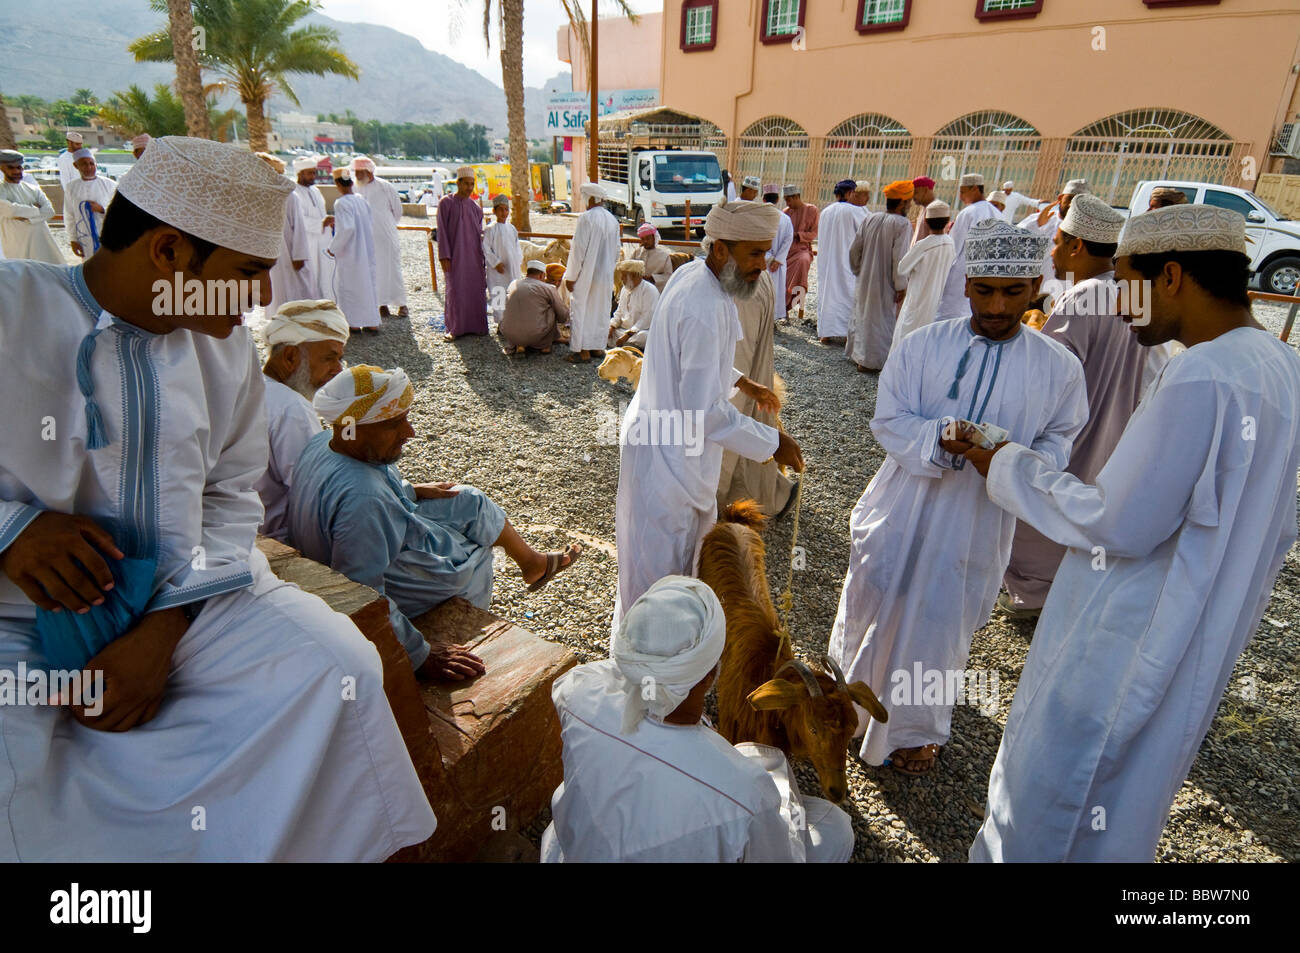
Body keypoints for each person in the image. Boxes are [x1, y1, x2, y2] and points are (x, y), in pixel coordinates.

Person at [0, 135, 435, 861]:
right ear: (168, 252)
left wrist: (163, 629)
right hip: (15, 618)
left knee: (342, 671)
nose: (266, 297)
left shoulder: (223, 347)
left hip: (187, 594)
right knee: (24, 795)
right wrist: (13, 530)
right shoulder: (11, 311)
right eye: (249, 273)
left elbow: (232, 499)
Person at [965, 206, 1300, 862]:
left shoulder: (1202, 374)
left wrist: (1003, 463)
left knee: (1050, 793)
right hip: (1195, 635)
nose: (1118, 305)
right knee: (1121, 808)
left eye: (1124, 282)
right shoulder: (1278, 366)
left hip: (1126, 636)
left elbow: (1118, 521)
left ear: (1170, 275)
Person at [828, 219, 1087, 777]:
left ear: (1036, 288)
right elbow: (888, 419)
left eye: (1012, 291)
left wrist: (1007, 459)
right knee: (875, 597)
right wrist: (941, 438)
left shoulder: (1059, 367)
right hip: (903, 504)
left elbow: (1059, 441)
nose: (996, 304)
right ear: (966, 283)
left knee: (943, 622)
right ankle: (848, 705)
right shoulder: (922, 345)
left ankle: (914, 730)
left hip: (977, 520)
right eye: (984, 288)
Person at [287, 366, 583, 677]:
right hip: (381, 566)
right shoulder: (365, 502)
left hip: (381, 534)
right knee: (476, 555)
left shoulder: (325, 440)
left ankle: (532, 564)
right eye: (394, 423)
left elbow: (356, 488)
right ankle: (469, 629)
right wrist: (420, 655)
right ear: (353, 427)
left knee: (467, 499)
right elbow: (362, 595)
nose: (409, 432)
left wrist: (411, 490)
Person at [541, 576, 854, 863]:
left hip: (579, 851)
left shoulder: (576, 689)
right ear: (709, 676)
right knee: (836, 826)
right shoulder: (747, 793)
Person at [613, 201, 806, 630]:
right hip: (671, 455)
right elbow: (705, 413)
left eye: (764, 252)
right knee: (663, 576)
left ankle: (664, 665)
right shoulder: (704, 303)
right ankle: (657, 678)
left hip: (667, 442)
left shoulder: (697, 278)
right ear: (720, 249)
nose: (763, 265)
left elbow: (697, 361)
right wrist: (774, 443)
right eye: (754, 254)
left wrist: (742, 382)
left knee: (664, 565)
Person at [1000, 195, 1161, 620]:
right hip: (1118, 426)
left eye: (1057, 241)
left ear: (1077, 246)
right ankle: (1063, 591)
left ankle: (1032, 594)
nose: (1051, 252)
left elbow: (1046, 375)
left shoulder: (1083, 295)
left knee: (1045, 502)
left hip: (1072, 429)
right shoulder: (1136, 294)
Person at [254, 300, 348, 542]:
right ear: (290, 356)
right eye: (330, 358)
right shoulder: (290, 407)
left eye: (340, 359)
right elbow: (319, 492)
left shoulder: (253, 385)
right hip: (286, 540)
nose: (338, 369)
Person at [717, 268, 795, 518]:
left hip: (740, 282)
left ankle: (721, 498)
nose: (765, 259)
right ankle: (757, 493)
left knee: (734, 400)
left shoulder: (738, 279)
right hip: (746, 280)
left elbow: (723, 401)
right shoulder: (753, 274)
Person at [845, 180, 912, 372]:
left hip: (864, 279)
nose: (909, 206)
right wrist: (901, 285)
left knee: (863, 315)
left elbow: (854, 250)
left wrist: (859, 270)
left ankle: (858, 355)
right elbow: (900, 259)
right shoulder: (902, 224)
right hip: (885, 283)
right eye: (908, 202)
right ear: (902, 203)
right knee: (880, 321)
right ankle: (871, 363)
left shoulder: (870, 218)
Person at [564, 183, 620, 363]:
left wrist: (571, 276)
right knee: (600, 309)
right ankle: (597, 346)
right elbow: (617, 250)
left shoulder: (586, 218)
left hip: (586, 275)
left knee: (582, 309)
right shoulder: (612, 220)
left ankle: (582, 350)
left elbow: (578, 250)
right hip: (605, 275)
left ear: (590, 198)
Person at [891, 199, 955, 350]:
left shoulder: (924, 245)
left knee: (905, 338)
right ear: (947, 221)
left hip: (917, 299)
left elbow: (902, 268)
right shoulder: (950, 243)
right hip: (935, 300)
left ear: (926, 222)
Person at [935, 173, 1000, 320]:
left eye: (963, 192)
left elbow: (953, 249)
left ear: (975, 189)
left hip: (961, 280)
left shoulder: (969, 213)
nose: (960, 197)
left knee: (948, 321)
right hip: (988, 278)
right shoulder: (999, 214)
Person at [352, 156, 408, 319]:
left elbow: (397, 210)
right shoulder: (355, 189)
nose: (357, 175)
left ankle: (401, 304)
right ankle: (381, 304)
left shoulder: (385, 186)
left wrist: (386, 225)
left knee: (392, 269)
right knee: (373, 270)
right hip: (366, 238)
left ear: (368, 171)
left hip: (386, 235)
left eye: (360, 172)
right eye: (355, 172)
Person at [437, 166, 489, 340]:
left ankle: (477, 327)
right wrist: (444, 255)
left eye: (472, 184)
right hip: (455, 256)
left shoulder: (475, 207)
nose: (469, 187)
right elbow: (442, 231)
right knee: (456, 290)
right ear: (458, 183)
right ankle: (455, 328)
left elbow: (480, 233)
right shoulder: (446, 203)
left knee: (475, 289)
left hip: (473, 257)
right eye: (466, 184)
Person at [324, 168, 379, 333]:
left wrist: (333, 248)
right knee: (368, 285)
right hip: (366, 249)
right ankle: (371, 321)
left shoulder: (341, 203)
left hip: (351, 253)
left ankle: (353, 322)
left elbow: (347, 229)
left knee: (350, 286)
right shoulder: (361, 199)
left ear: (338, 184)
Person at [816, 178, 865, 345]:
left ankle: (826, 333)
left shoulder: (826, 211)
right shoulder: (855, 212)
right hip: (846, 261)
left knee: (826, 294)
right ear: (850, 193)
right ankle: (845, 334)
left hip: (826, 262)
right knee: (847, 293)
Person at [0, 149, 63, 263]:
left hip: (42, 243)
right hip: (17, 245)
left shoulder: (32, 189)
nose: (16, 171)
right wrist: (36, 210)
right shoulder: (1, 189)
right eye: (11, 167)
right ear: (2, 168)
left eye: (19, 167)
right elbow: (10, 210)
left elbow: (50, 211)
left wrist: (26, 216)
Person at [500, 259, 569, 354]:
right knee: (552, 307)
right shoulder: (548, 288)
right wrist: (564, 321)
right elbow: (562, 314)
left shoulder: (513, 283)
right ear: (542, 275)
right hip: (534, 335)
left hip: (509, 334)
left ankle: (519, 344)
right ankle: (545, 345)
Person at [65, 149, 117, 259]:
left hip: (107, 235)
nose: (89, 167)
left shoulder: (110, 185)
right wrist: (73, 239)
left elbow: (120, 211)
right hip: (84, 237)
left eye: (91, 163)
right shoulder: (71, 188)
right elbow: (69, 215)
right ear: (76, 166)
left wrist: (102, 209)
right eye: (84, 164)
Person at [482, 194, 521, 330]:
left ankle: (513, 321)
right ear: (494, 211)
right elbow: (486, 248)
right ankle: (501, 323)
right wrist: (496, 263)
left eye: (506, 209)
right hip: (497, 271)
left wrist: (517, 263)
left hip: (512, 269)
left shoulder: (512, 229)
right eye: (500, 210)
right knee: (498, 294)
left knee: (512, 294)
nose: (504, 213)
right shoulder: (490, 229)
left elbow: (517, 248)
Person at [782, 185, 818, 321]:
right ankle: (780, 308)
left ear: (797, 197)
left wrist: (798, 235)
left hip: (803, 249)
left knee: (802, 260)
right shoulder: (785, 212)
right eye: (785, 200)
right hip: (786, 251)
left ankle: (788, 303)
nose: (787, 204)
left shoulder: (812, 210)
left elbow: (814, 233)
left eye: (789, 200)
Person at [608, 259, 660, 350]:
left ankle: (627, 345)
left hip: (639, 332)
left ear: (634, 275)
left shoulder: (649, 290)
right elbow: (619, 312)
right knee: (604, 329)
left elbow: (647, 318)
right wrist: (612, 326)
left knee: (644, 337)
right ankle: (626, 345)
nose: (622, 279)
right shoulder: (625, 289)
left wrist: (628, 335)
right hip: (622, 331)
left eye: (624, 276)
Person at [764, 185, 793, 319]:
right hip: (778, 264)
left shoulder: (759, 217)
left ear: (763, 199)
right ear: (777, 200)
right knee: (775, 290)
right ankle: (773, 317)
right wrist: (778, 259)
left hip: (762, 261)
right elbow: (788, 239)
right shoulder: (785, 219)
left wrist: (769, 258)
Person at [631, 222, 674, 292]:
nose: (645, 241)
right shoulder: (636, 253)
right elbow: (628, 269)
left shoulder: (664, 256)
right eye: (642, 239)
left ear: (654, 238)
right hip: (637, 291)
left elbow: (668, 277)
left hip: (656, 292)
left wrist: (653, 278)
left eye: (648, 238)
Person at [56, 130, 81, 219]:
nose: (79, 146)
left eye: (80, 144)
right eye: (77, 144)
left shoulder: (83, 155)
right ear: (69, 143)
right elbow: (65, 180)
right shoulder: (63, 159)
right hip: (75, 195)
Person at [909, 176, 936, 244]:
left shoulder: (934, 210)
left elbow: (933, 241)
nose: (913, 196)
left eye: (916, 192)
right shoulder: (924, 208)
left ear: (925, 190)